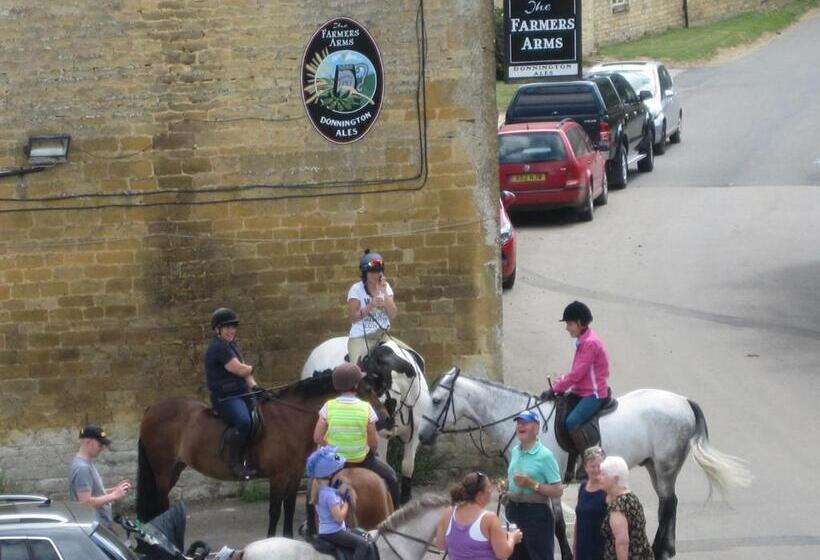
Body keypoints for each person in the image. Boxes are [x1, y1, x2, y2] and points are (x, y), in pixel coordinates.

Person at [70, 424, 187, 556]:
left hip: (101, 525)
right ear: (88, 442)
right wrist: (114, 495)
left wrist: (114, 489)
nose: (102, 448)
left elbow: (94, 493)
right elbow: (85, 502)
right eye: (100, 444)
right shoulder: (82, 468)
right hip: (96, 527)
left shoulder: (86, 463)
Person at [313, 363, 401, 508]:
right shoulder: (366, 407)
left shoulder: (328, 406)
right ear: (356, 385)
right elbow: (373, 441)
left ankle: (311, 527)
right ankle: (396, 517)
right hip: (362, 460)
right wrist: (371, 451)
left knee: (314, 487)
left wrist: (332, 447)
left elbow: (317, 437)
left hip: (335, 462)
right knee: (391, 477)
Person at [541, 301, 610, 478]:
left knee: (572, 421)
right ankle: (569, 466)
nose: (567, 328)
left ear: (580, 323)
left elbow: (577, 374)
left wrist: (555, 388)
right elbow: (576, 373)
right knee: (560, 410)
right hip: (581, 391)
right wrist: (561, 382)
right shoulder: (582, 340)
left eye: (569, 324)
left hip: (594, 394)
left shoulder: (590, 344)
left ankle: (588, 461)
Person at [204, 307, 259, 479]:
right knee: (243, 421)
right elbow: (240, 369)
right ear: (217, 330)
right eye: (227, 327)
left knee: (263, 414)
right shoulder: (218, 348)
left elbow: (246, 374)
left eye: (233, 327)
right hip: (225, 398)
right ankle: (233, 462)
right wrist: (251, 367)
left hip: (241, 394)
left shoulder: (232, 346)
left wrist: (256, 388)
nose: (231, 331)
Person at [503, 410, 563, 560]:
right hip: (513, 511)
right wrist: (506, 486)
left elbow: (557, 490)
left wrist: (531, 484)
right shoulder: (515, 451)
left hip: (536, 514)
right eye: (518, 423)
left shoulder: (545, 455)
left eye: (525, 423)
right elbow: (513, 479)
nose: (520, 426)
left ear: (536, 428)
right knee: (514, 556)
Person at [306, 446, 377, 560]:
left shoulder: (321, 490)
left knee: (361, 533)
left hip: (327, 530)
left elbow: (337, 493)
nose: (340, 474)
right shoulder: (329, 495)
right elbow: (339, 517)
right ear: (330, 475)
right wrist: (346, 502)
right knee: (363, 544)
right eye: (338, 471)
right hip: (334, 532)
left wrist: (342, 490)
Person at [434, 471, 523, 560]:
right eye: (489, 487)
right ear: (480, 494)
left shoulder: (449, 512)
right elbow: (503, 554)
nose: (491, 491)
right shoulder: (489, 518)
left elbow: (441, 545)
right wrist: (512, 538)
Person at [346, 249, 402, 365]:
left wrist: (384, 292)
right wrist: (370, 305)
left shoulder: (385, 287)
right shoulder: (356, 289)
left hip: (383, 335)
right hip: (361, 336)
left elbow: (393, 314)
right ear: (365, 273)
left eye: (379, 271)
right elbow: (353, 318)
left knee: (413, 356)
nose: (377, 274)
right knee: (355, 370)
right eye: (372, 272)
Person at [598, 456, 652, 560]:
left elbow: (622, 542)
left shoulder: (618, 506)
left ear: (615, 479)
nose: (599, 477)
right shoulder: (630, 497)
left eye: (603, 474)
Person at [573, 447, 607, 560]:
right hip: (583, 546)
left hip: (602, 547)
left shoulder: (607, 489)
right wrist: (575, 547)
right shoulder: (582, 487)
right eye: (592, 466)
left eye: (599, 466)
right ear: (585, 467)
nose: (596, 469)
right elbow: (578, 519)